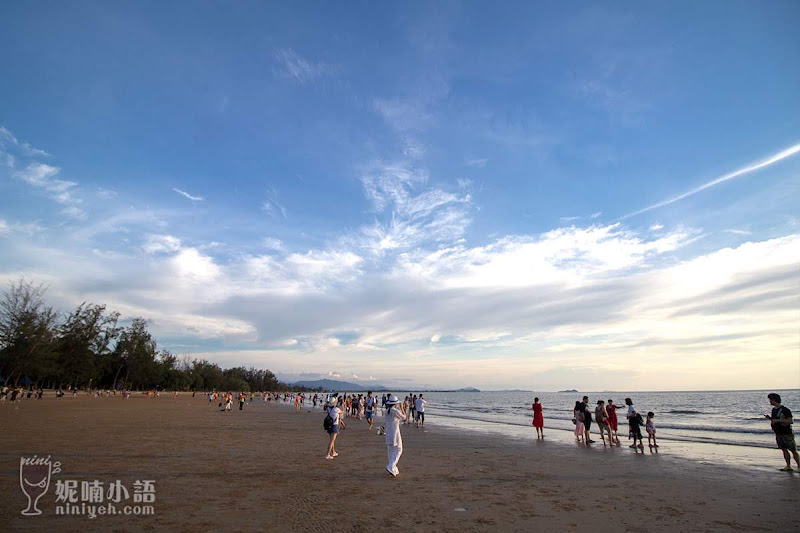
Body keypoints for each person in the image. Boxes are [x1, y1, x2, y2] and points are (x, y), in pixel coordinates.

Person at [766, 393, 800, 472]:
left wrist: (777, 420)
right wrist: (771, 419)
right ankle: (788, 466)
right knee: (784, 450)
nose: (770, 401)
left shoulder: (785, 410)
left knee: (793, 450)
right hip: (778, 432)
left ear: (774, 400)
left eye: (770, 399)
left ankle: (799, 466)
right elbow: (775, 420)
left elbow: (790, 421)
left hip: (787, 433)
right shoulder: (774, 410)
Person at [384, 395, 407, 476]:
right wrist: (402, 408)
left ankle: (393, 469)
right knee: (399, 449)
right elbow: (404, 418)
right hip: (395, 433)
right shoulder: (395, 411)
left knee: (390, 451)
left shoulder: (386, 411)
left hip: (388, 432)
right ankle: (391, 466)